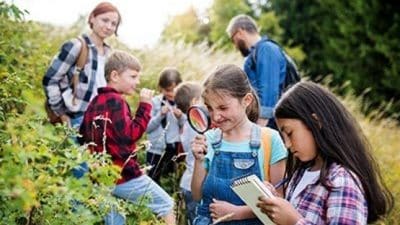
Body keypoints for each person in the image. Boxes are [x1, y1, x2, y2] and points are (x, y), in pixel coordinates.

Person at [257, 81, 394, 225]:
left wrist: (294, 221)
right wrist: (276, 203)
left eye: (290, 133)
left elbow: (296, 218)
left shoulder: (342, 181)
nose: (287, 144)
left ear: (316, 122)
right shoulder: (301, 173)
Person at [79, 51, 175, 225]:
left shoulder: (95, 102)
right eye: (133, 76)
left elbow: (82, 136)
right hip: (123, 175)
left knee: (116, 221)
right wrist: (145, 106)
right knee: (167, 205)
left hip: (101, 177)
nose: (137, 82)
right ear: (114, 75)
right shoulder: (117, 101)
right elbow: (131, 135)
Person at [191, 64, 287, 225]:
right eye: (209, 108)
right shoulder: (208, 139)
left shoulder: (270, 140)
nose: (215, 117)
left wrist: (238, 213)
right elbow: (197, 195)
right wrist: (199, 160)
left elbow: (279, 200)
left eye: (223, 107)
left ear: (246, 100)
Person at [43, 1, 121, 129]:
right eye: (104, 20)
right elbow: (50, 80)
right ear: (92, 18)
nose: (109, 26)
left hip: (100, 120)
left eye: (113, 24)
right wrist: (61, 113)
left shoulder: (110, 54)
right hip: (77, 118)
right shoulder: (77, 46)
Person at [226, 14, 287, 129]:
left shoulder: (266, 49)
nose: (234, 45)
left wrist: (258, 132)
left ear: (240, 32)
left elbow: (268, 94)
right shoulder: (254, 55)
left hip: (271, 125)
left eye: (232, 39)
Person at [146, 67, 185, 184]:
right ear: (161, 88)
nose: (172, 94)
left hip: (174, 149)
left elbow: (187, 126)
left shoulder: (182, 103)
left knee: (172, 179)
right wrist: (160, 115)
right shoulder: (154, 102)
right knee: (152, 179)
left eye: (175, 90)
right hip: (155, 149)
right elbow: (147, 128)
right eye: (168, 90)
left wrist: (181, 117)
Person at [174, 82, 202, 225]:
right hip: (194, 184)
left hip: (187, 182)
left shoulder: (186, 123)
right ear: (194, 102)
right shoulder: (198, 124)